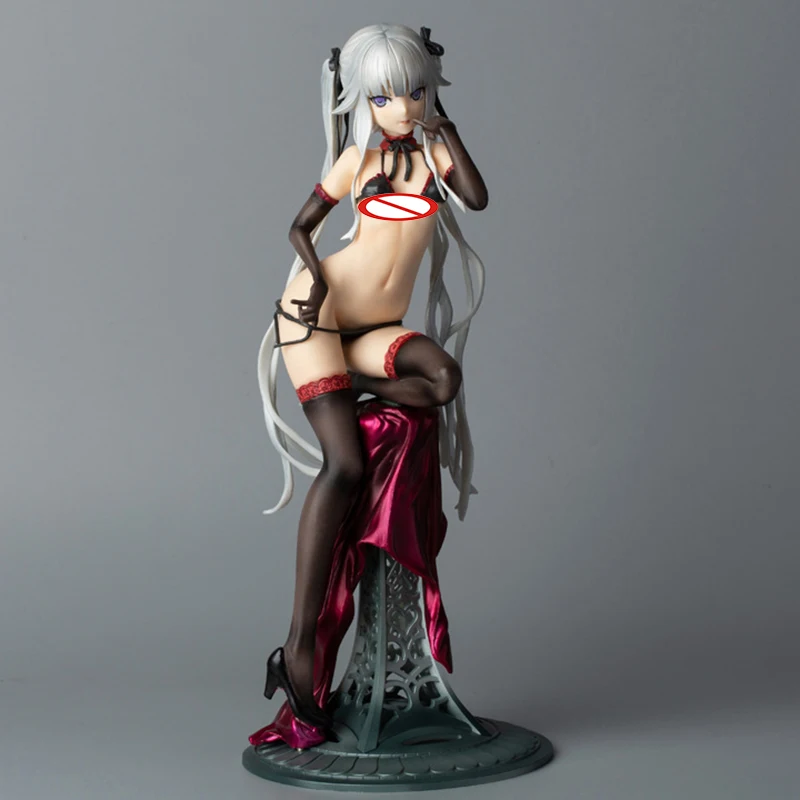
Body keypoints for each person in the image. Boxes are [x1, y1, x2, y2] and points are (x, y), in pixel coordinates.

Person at [255, 23, 488, 735]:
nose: (403, 108)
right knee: (346, 465)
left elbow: (477, 197)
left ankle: (357, 389)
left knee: (441, 381)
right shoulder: (357, 159)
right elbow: (299, 227)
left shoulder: (434, 152)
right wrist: (315, 279)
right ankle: (297, 647)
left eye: (414, 91)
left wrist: (446, 126)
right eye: (385, 97)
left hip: (376, 327)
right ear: (362, 99)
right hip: (317, 314)